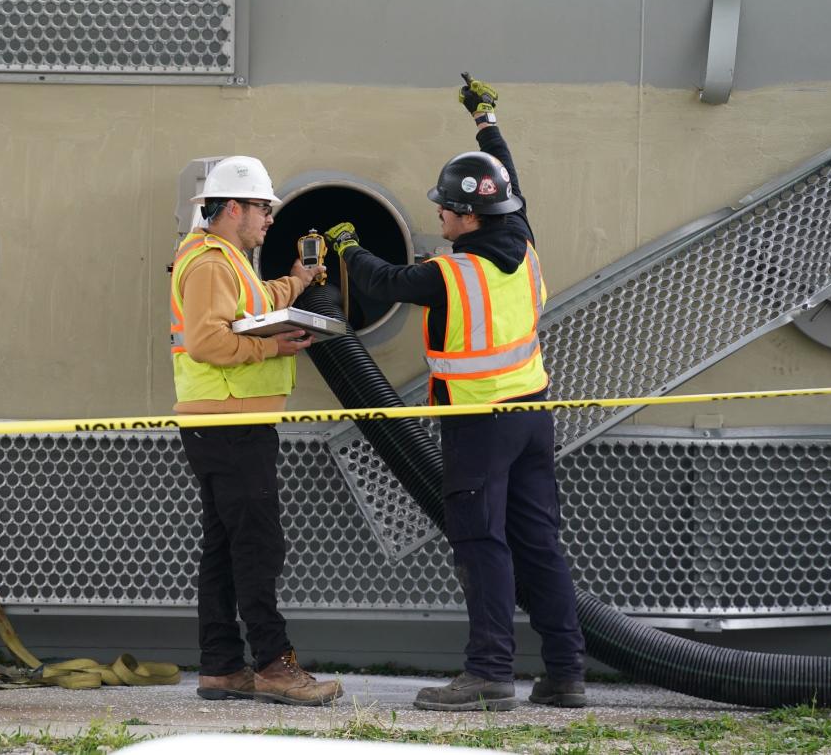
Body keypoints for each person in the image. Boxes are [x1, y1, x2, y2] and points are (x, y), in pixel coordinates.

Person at [324, 81, 586, 711]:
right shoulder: (521, 242)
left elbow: (387, 280)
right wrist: (486, 121)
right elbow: (508, 179)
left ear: (468, 218)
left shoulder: (451, 273)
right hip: (533, 414)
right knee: (538, 543)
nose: (438, 215)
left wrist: (347, 246)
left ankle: (489, 673)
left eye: (444, 206)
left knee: (481, 541)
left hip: (477, 424)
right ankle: (566, 673)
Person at [171, 155, 343, 707]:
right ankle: (274, 665)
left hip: (229, 421)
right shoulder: (209, 263)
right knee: (257, 546)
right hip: (230, 421)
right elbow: (207, 343)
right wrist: (273, 346)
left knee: (225, 548)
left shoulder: (228, 259)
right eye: (265, 210)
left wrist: (298, 278)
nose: (270, 219)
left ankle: (221, 667)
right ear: (235, 208)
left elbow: (258, 302)